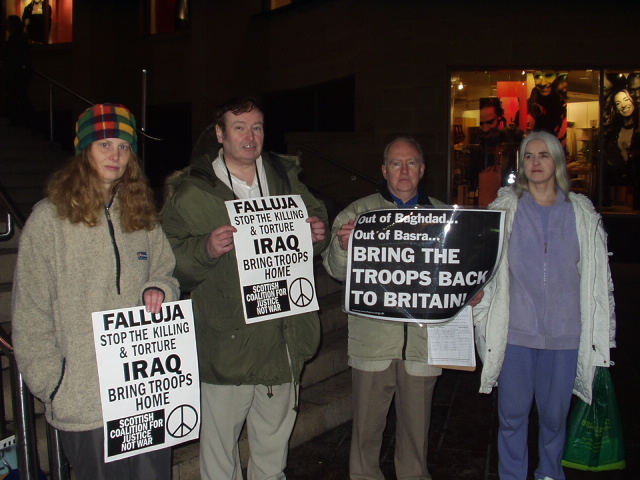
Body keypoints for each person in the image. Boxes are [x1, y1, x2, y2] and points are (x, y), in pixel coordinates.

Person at [161, 96, 329, 480]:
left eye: (257, 127)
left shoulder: (284, 178)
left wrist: (316, 233)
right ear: (220, 134)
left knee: (272, 456)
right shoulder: (193, 192)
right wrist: (205, 249)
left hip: (282, 342)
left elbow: (314, 216)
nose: (250, 136)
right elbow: (168, 261)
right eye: (239, 127)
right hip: (227, 347)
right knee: (220, 460)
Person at [11, 104, 180, 480]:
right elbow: (30, 313)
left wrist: (159, 288)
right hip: (85, 402)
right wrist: (54, 384)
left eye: (123, 146)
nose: (115, 155)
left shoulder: (140, 214)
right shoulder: (47, 221)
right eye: (104, 144)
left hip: (144, 393)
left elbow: (165, 269)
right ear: (83, 151)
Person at [473, 131, 616, 480]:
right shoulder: (504, 211)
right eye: (528, 156)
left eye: (544, 155)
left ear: (557, 162)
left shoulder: (581, 214)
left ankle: (550, 473)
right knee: (512, 416)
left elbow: (600, 282)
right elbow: (481, 266)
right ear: (521, 165)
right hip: (516, 334)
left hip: (566, 336)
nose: (535, 163)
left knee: (554, 418)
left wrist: (604, 334)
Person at [323, 137, 463, 480]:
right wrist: (344, 248)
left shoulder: (447, 218)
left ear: (422, 170)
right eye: (396, 163)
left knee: (417, 438)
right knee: (365, 436)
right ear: (384, 170)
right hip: (373, 344)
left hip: (423, 345)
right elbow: (335, 271)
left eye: (412, 162)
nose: (404, 170)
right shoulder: (358, 214)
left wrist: (468, 291)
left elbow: (459, 273)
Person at [2, 15, 33, 127]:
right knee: (17, 97)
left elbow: (15, 59)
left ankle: (20, 121)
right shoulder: (19, 39)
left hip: (17, 74)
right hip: (18, 73)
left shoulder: (16, 40)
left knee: (16, 97)